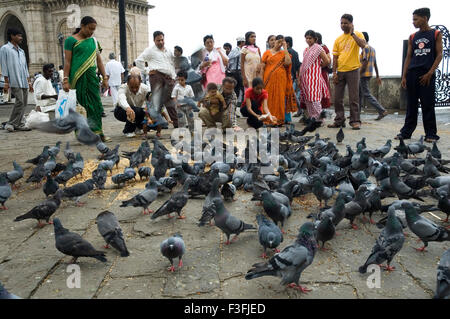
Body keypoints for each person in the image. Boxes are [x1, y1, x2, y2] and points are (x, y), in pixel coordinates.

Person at [396, 7, 443, 143]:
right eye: (413, 19)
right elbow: (409, 57)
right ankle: (406, 132)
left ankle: (431, 134)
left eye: (416, 19)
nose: (413, 22)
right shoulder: (413, 37)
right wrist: (404, 76)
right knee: (411, 105)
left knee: (428, 104)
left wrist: (430, 73)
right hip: (412, 74)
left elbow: (439, 55)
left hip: (426, 74)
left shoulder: (436, 34)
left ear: (425, 18)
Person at [62, 16, 109, 141]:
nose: (91, 32)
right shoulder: (70, 41)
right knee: (81, 106)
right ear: (82, 26)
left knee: (96, 104)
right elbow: (67, 61)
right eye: (89, 29)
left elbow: (99, 61)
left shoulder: (94, 41)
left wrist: (105, 78)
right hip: (76, 79)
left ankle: (98, 132)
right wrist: (65, 79)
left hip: (92, 78)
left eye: (93, 30)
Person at [328, 14, 367, 130]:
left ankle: (355, 121)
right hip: (340, 71)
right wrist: (334, 73)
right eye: (341, 23)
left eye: (345, 23)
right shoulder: (338, 39)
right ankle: (339, 120)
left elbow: (363, 45)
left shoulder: (358, 34)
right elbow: (335, 57)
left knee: (353, 98)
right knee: (337, 98)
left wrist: (352, 33)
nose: (343, 25)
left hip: (353, 70)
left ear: (351, 23)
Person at [135, 31, 179, 128]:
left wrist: (173, 76)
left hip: (169, 78)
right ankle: (153, 125)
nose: (160, 42)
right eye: (158, 40)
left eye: (162, 40)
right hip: (157, 77)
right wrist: (147, 71)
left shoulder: (168, 51)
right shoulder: (150, 50)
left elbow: (172, 63)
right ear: (154, 40)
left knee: (170, 101)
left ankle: (175, 124)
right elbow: (138, 61)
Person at [260, 35, 297, 126]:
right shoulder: (267, 53)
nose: (278, 43)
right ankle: (267, 118)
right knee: (267, 99)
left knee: (279, 99)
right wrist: (261, 80)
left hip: (281, 80)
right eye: (277, 41)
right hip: (268, 79)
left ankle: (279, 120)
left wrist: (285, 48)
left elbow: (288, 62)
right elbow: (262, 68)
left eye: (281, 42)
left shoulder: (283, 53)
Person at [0, 27, 33, 132]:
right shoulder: (5, 49)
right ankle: (11, 123)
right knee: (19, 101)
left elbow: (25, 68)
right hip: (14, 80)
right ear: (12, 36)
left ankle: (19, 123)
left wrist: (29, 81)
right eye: (18, 35)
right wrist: (6, 82)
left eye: (21, 35)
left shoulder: (22, 51)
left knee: (24, 103)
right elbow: (4, 66)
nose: (20, 38)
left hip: (23, 80)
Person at [299, 30, 331, 123]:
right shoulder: (306, 50)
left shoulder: (318, 48)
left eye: (310, 38)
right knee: (308, 98)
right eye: (307, 38)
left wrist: (319, 66)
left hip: (314, 76)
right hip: (305, 76)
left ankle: (320, 119)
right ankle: (312, 117)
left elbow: (327, 61)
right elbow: (304, 64)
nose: (308, 40)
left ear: (315, 39)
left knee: (315, 97)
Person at [358, 32, 388, 121]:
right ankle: (356, 113)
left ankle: (382, 111)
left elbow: (365, 63)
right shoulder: (372, 49)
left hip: (363, 74)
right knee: (359, 94)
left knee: (366, 94)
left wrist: (358, 75)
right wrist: (378, 75)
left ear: (362, 39)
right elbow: (375, 63)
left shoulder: (365, 49)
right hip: (368, 74)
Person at [114, 72, 149, 138]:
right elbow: (121, 99)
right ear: (127, 83)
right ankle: (128, 131)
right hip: (120, 111)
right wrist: (127, 108)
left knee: (146, 113)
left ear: (140, 83)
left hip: (137, 110)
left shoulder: (145, 88)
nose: (134, 89)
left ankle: (138, 127)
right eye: (132, 87)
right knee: (133, 111)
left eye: (137, 87)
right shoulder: (123, 88)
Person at [285, 36, 302, 115]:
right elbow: (298, 66)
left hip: (288, 76)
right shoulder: (295, 52)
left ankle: (299, 109)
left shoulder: (287, 52)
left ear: (287, 43)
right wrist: (298, 77)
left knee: (291, 95)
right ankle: (299, 109)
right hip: (294, 76)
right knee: (293, 94)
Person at [226, 37, 245, 104]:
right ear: (241, 42)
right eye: (244, 42)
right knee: (236, 88)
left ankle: (241, 102)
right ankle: (234, 102)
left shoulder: (243, 50)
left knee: (242, 88)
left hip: (240, 71)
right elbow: (229, 58)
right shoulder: (235, 50)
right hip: (235, 71)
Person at [316, 32, 332, 110]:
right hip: (315, 73)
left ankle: (323, 110)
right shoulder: (312, 48)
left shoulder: (323, 47)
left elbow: (329, 60)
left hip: (322, 72)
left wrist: (321, 65)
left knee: (323, 90)